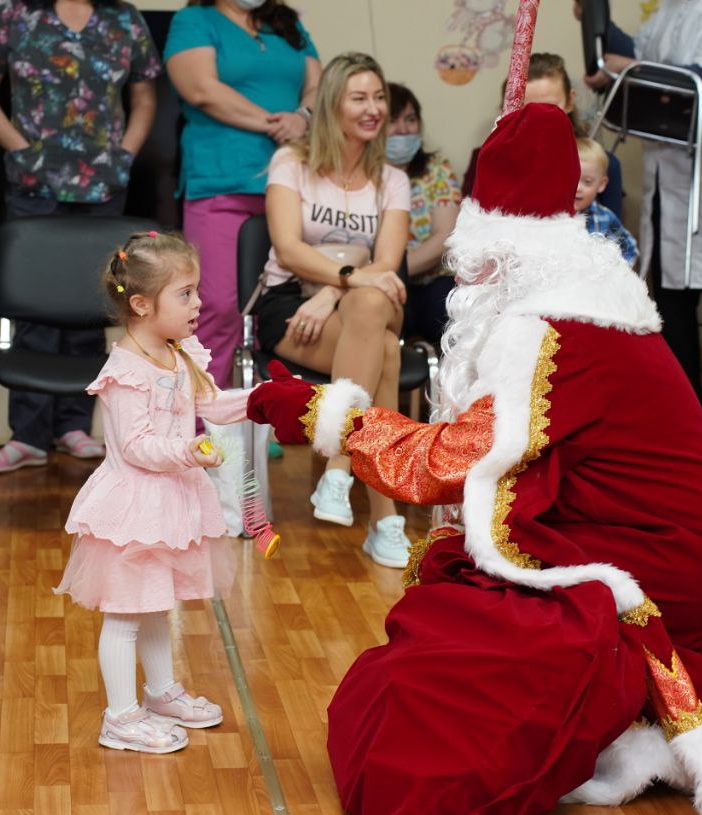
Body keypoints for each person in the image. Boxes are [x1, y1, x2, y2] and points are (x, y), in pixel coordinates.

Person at [244, 102, 702, 815]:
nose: (466, 275)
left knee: (439, 697)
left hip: (663, 567)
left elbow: (444, 463)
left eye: (474, 259)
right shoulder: (580, 304)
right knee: (443, 645)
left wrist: (315, 410)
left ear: (498, 245)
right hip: (627, 536)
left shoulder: (549, 332)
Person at [54, 230, 252, 752]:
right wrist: (190, 453)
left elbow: (207, 403)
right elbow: (138, 445)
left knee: (154, 604)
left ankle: (161, 692)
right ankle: (119, 718)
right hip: (133, 508)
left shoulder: (178, 352)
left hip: (169, 502)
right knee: (124, 615)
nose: (199, 302)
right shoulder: (125, 371)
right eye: (185, 293)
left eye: (196, 290)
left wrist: (262, 400)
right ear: (142, 305)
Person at [0, 0, 161, 473]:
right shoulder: (14, 14)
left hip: (103, 186)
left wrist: (124, 156)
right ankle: (28, 435)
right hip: (33, 187)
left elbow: (145, 99)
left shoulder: (124, 18)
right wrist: (21, 150)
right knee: (34, 312)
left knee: (95, 302)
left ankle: (74, 426)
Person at [593, 1, 702, 455]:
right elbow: (642, 48)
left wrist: (628, 68)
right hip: (672, 164)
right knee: (672, 293)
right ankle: (686, 414)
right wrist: (596, 21)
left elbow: (699, 81)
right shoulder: (673, 6)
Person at [256, 53, 413, 569]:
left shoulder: (392, 179)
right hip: (293, 308)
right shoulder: (292, 164)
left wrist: (335, 292)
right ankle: (384, 519)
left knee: (372, 302)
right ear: (332, 104)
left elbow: (386, 265)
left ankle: (340, 464)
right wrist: (341, 283)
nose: (374, 109)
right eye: (359, 98)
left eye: (379, 97)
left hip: (357, 303)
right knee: (385, 353)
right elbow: (287, 249)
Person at [164, 0, 320, 388]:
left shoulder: (288, 24)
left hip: (294, 181)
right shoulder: (194, 20)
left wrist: (303, 116)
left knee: (293, 304)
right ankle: (206, 424)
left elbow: (319, 86)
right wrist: (275, 123)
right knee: (215, 307)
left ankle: (269, 414)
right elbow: (201, 89)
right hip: (221, 183)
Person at [461, 53, 625, 219]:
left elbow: (611, 234)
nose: (536, 120)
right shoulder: (486, 162)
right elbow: (472, 227)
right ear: (507, 110)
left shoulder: (601, 164)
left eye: (549, 108)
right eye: (524, 110)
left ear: (569, 101)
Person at [386, 83, 460, 347]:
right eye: (393, 121)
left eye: (411, 119)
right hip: (382, 284)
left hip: (431, 280)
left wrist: (395, 271)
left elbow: (445, 236)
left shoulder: (435, 169)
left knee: (448, 314)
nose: (404, 130)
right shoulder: (362, 176)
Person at [576, 137, 637, 265]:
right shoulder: (551, 216)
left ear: (601, 184)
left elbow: (629, 248)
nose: (577, 188)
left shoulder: (605, 217)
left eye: (587, 182)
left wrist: (619, 273)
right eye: (572, 179)